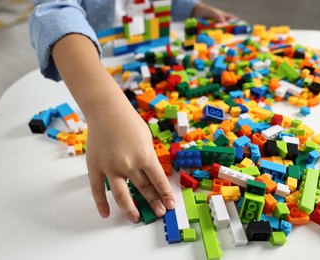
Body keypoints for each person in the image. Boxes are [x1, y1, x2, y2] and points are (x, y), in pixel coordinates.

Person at [29, 0, 237, 224]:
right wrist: (105, 108)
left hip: (156, 51)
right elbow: (56, 12)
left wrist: (192, 8)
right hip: (92, 64)